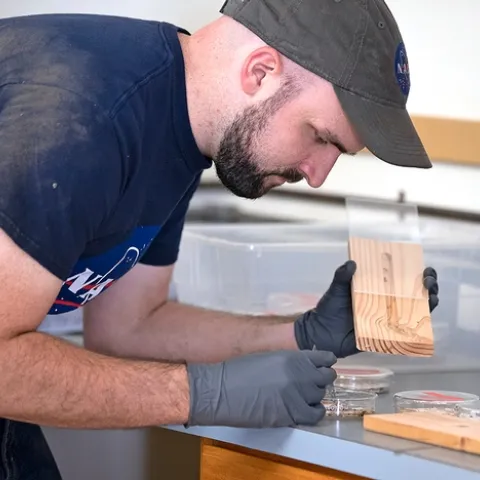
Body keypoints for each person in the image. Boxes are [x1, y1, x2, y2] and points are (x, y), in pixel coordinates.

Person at [0, 0, 439, 477]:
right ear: (260, 71)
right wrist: (201, 393)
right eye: (320, 137)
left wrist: (298, 334)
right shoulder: (81, 120)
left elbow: (126, 327)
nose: (317, 176)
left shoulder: (182, 126)